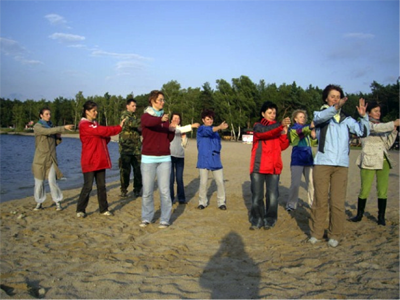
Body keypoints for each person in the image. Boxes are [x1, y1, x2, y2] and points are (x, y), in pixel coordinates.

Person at [309, 84, 369, 248]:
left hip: (341, 165)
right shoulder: (320, 114)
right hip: (322, 163)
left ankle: (335, 234)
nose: (335, 99)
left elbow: (363, 132)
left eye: (338, 96)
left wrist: (363, 117)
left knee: (337, 202)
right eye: (332, 96)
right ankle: (317, 233)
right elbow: (319, 119)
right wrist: (335, 108)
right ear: (326, 98)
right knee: (320, 201)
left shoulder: (347, 119)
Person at [351, 101, 400, 226]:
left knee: (382, 190)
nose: (379, 113)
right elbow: (375, 128)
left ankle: (381, 217)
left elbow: (387, 145)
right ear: (369, 113)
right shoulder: (366, 124)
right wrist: (393, 123)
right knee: (365, 189)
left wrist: (393, 131)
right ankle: (359, 214)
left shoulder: (384, 126)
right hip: (368, 160)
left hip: (383, 160)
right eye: (376, 111)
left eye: (379, 111)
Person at [76, 101, 125, 218]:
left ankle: (103, 209)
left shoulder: (95, 124)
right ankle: (80, 209)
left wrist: (106, 135)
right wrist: (118, 128)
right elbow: (102, 131)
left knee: (101, 186)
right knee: (88, 186)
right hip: (89, 160)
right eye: (93, 111)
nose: (96, 113)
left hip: (100, 160)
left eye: (96, 110)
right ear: (86, 112)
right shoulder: (84, 125)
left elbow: (104, 136)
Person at [249, 101, 290, 230]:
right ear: (263, 113)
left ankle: (270, 219)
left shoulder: (278, 128)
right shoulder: (258, 126)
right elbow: (264, 133)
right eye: (269, 112)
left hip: (274, 167)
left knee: (273, 196)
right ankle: (257, 220)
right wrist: (279, 126)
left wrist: (284, 132)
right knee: (257, 196)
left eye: (274, 113)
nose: (273, 115)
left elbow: (283, 146)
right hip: (258, 166)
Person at [140, 90, 176, 229]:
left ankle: (165, 219)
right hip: (148, 159)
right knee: (147, 191)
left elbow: (168, 138)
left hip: (165, 158)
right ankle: (146, 217)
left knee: (165, 191)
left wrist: (171, 131)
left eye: (163, 100)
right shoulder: (145, 116)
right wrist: (160, 120)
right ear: (152, 101)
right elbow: (149, 123)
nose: (162, 102)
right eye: (160, 100)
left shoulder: (165, 119)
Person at [32, 108, 74, 211]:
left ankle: (57, 202)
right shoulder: (37, 127)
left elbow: (54, 143)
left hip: (51, 159)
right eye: (46, 114)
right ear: (41, 115)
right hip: (39, 160)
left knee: (52, 181)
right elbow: (47, 131)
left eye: (50, 114)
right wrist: (63, 128)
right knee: (39, 183)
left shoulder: (52, 127)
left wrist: (58, 138)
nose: (49, 116)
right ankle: (39, 202)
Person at [196, 109, 229, 210]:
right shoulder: (201, 129)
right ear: (203, 120)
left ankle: (221, 202)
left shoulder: (216, 133)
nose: (210, 121)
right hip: (204, 160)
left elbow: (218, 145)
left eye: (211, 119)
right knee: (203, 182)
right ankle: (202, 202)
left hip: (215, 160)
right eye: (208, 119)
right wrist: (219, 127)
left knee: (220, 181)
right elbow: (208, 131)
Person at [286, 110, 317, 211]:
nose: (302, 118)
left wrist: (313, 137)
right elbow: (301, 132)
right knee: (295, 184)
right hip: (297, 160)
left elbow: (312, 143)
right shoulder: (293, 129)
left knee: (311, 183)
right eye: (300, 117)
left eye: (304, 117)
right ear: (295, 119)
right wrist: (310, 127)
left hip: (308, 159)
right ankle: (291, 204)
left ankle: (312, 203)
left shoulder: (307, 129)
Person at [169, 112, 200, 204]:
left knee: (179, 178)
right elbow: (176, 130)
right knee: (170, 179)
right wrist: (192, 126)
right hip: (170, 156)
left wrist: (183, 138)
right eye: (174, 118)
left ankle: (181, 198)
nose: (176, 120)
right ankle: (170, 198)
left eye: (178, 118)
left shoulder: (181, 130)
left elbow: (185, 145)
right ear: (171, 119)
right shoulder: (169, 127)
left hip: (180, 157)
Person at [119, 98, 142, 198]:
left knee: (137, 170)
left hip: (136, 149)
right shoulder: (124, 115)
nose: (135, 108)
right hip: (126, 148)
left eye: (135, 106)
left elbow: (139, 129)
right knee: (125, 171)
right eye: (133, 106)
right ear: (127, 106)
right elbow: (132, 124)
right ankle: (124, 189)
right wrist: (145, 120)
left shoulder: (135, 117)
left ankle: (137, 189)